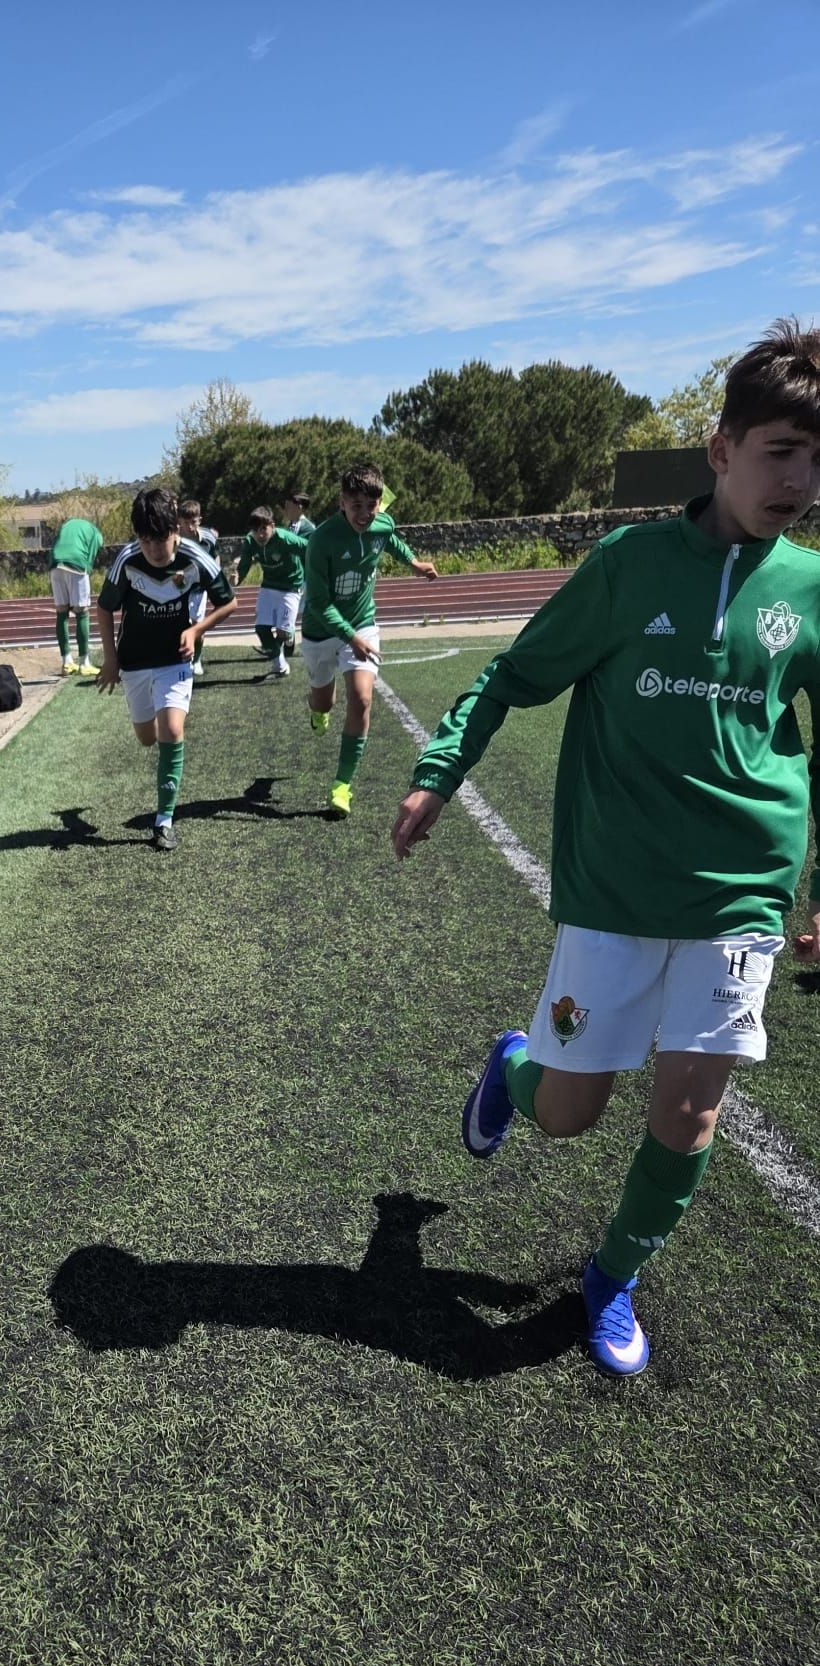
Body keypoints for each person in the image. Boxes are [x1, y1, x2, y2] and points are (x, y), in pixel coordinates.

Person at [392, 318, 820, 1377]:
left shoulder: (811, 591)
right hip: (616, 891)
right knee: (573, 1113)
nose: (800, 480)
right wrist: (441, 769)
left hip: (741, 896)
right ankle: (516, 1063)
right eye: (781, 452)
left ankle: (610, 1272)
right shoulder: (629, 566)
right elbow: (513, 675)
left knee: (690, 1109)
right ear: (720, 449)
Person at [97, 487, 236, 851]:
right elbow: (104, 609)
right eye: (146, 540)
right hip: (134, 663)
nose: (155, 549)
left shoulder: (196, 557)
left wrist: (196, 629)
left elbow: (229, 602)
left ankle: (164, 820)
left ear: (176, 530)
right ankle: (164, 763)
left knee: (172, 730)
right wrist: (110, 660)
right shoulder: (127, 560)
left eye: (162, 539)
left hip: (174, 660)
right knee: (147, 738)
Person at [300, 465, 438, 815]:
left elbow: (389, 538)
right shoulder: (321, 541)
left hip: (362, 623)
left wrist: (414, 563)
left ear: (379, 503)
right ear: (341, 503)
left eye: (371, 505)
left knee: (361, 698)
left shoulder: (382, 522)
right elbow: (316, 603)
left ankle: (342, 785)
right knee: (323, 702)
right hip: (322, 630)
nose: (364, 514)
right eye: (355, 505)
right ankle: (318, 711)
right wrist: (347, 636)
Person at [232, 506, 307, 680]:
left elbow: (309, 548)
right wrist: (238, 578)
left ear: (272, 525)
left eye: (263, 529)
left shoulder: (285, 538)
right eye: (255, 530)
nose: (259, 535)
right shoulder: (250, 541)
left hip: (291, 587)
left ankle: (288, 634)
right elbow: (244, 563)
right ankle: (280, 666)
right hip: (269, 586)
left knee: (282, 632)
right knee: (261, 628)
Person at [49, 515, 103, 675]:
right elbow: (91, 555)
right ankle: (84, 662)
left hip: (55, 564)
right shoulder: (95, 533)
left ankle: (66, 662)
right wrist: (87, 570)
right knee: (82, 613)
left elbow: (55, 545)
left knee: (61, 612)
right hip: (76, 564)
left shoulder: (66, 526)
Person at [177, 496, 222, 675]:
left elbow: (216, 557)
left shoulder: (209, 538)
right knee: (180, 625)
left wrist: (215, 578)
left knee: (198, 626)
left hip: (199, 590)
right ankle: (182, 658)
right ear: (179, 521)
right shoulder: (174, 540)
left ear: (199, 520)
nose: (189, 527)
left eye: (193, 522)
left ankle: (197, 660)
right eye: (185, 522)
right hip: (179, 590)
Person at [282, 491, 317, 659]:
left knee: (307, 612)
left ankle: (310, 643)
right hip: (292, 578)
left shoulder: (308, 528)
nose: (285, 509)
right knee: (289, 612)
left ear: (299, 507)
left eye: (289, 505)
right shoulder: (290, 526)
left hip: (305, 578)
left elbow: (312, 551)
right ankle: (288, 643)